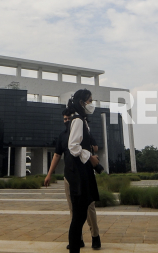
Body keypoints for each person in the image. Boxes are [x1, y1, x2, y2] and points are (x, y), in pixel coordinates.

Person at [44, 110, 101, 250]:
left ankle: (95, 236)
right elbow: (57, 155)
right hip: (69, 176)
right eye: (64, 119)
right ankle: (77, 239)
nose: (66, 121)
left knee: (89, 207)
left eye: (68, 118)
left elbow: (95, 148)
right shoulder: (62, 136)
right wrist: (49, 174)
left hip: (84, 174)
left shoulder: (83, 130)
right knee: (72, 208)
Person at [62, 89, 101, 252]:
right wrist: (90, 157)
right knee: (78, 216)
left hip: (82, 171)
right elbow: (73, 146)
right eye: (90, 101)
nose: (92, 104)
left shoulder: (82, 120)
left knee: (81, 214)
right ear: (81, 103)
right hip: (77, 173)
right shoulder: (77, 120)